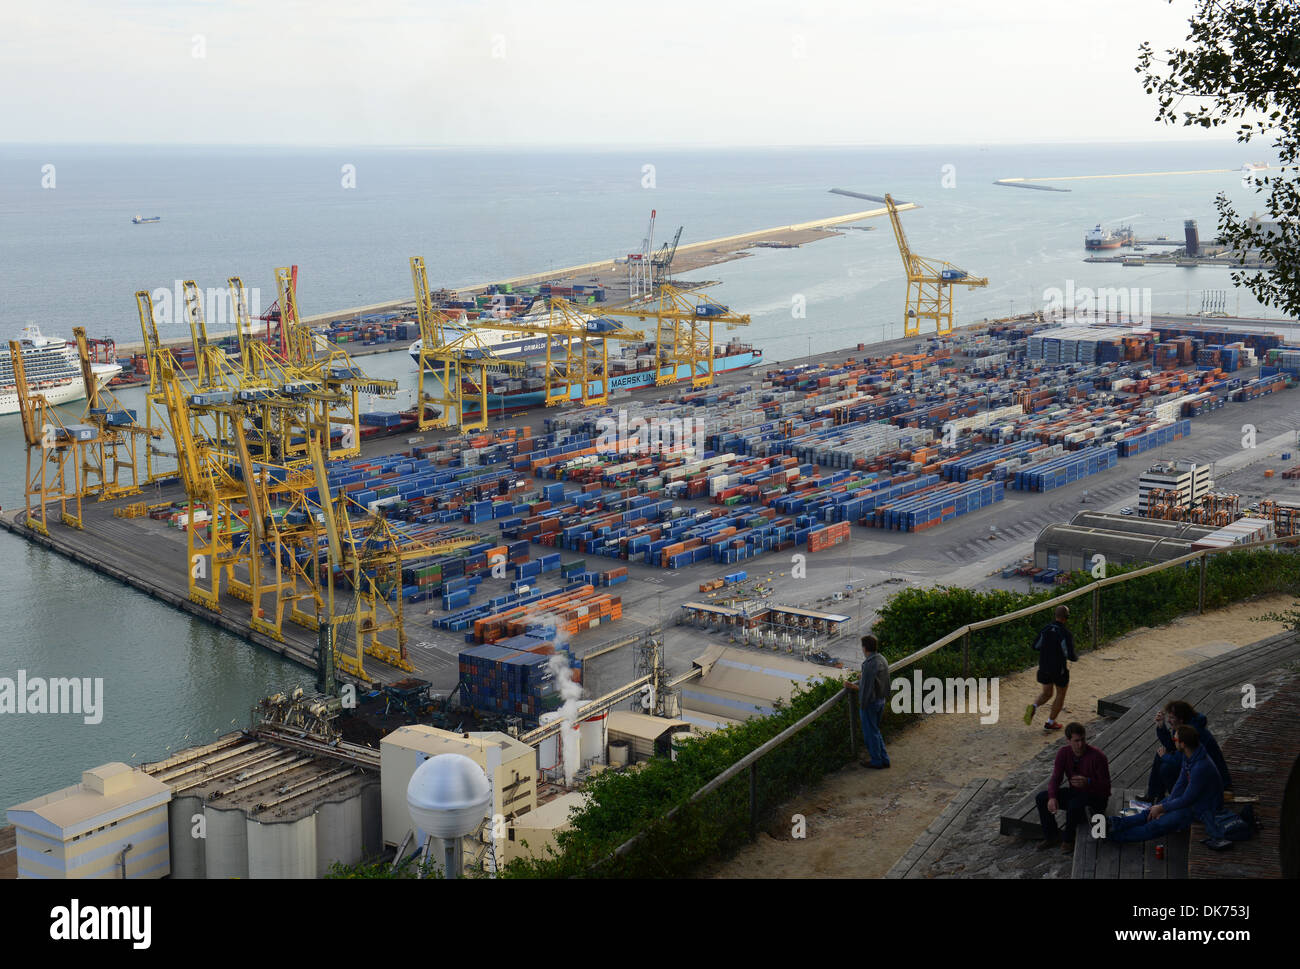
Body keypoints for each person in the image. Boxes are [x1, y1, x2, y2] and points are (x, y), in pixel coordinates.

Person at [1107, 724, 1225, 844]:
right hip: (1192, 801)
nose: (1173, 742)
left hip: (1203, 809)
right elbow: (1180, 783)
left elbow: (1187, 799)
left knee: (1156, 826)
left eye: (1175, 739)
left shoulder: (1201, 767)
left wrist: (1164, 808)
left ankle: (1114, 836)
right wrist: (1164, 806)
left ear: (1183, 744)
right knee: (1150, 811)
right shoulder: (1190, 755)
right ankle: (1113, 823)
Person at [1033, 722, 1111, 854]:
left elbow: (1106, 787)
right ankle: (1051, 836)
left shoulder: (1098, 756)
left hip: (1096, 796)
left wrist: (1088, 781)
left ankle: (1068, 840)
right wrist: (1052, 797)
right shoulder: (1063, 753)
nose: (1080, 744)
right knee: (1042, 798)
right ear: (1068, 740)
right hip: (1076, 792)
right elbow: (1056, 778)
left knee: (1074, 805)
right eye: (1076, 741)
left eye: (1082, 740)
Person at [1141, 699, 1232, 803]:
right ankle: (1155, 795)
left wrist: (1165, 757)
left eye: (1171, 718)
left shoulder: (1192, 733)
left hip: (1212, 779)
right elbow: (1173, 746)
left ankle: (1175, 800)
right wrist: (1161, 726)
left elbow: (1181, 759)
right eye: (1168, 717)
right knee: (1160, 755)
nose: (1168, 720)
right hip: (1193, 765)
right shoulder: (1182, 726)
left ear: (1181, 719)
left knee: (1166, 768)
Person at [1024, 604, 1077, 731]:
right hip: (1058, 669)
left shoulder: (1046, 629)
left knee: (1047, 693)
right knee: (1060, 694)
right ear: (1066, 617)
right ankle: (1050, 722)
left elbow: (1035, 646)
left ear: (1055, 616)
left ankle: (1034, 706)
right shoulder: (1065, 633)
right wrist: (1074, 657)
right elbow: (1070, 655)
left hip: (1044, 667)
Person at [858, 634, 890, 769]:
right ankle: (884, 759)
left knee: (870, 733)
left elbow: (866, 688)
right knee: (876, 731)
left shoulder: (869, 664)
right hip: (881, 699)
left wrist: (851, 686)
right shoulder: (882, 659)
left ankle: (877, 761)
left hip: (870, 703)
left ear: (865, 648)